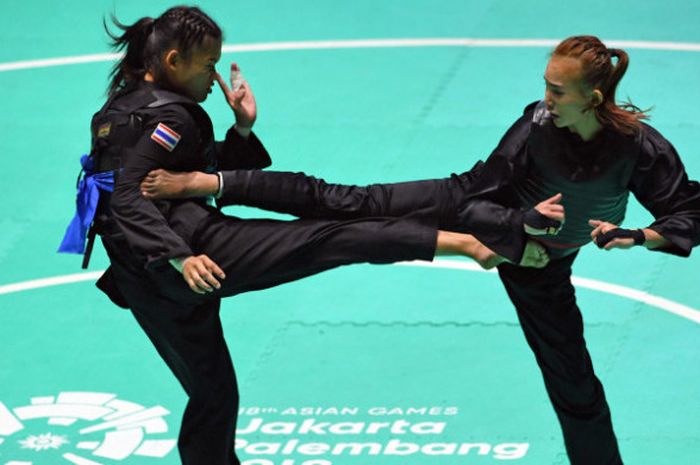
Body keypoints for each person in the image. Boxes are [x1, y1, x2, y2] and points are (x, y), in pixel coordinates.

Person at [141, 36, 700, 465]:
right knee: (347, 202)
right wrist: (519, 225)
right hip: (478, 207)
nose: (545, 99)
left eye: (557, 91)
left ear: (592, 99)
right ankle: (209, 183)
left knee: (574, 381)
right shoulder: (535, 126)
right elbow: (477, 204)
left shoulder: (638, 148)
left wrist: (636, 237)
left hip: (541, 268)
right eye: (545, 86)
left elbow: (688, 211)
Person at [63, 7, 554, 465]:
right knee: (332, 237)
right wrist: (181, 258)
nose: (214, 78)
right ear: (173, 61)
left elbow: (159, 177)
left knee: (214, 394)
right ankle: (466, 243)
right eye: (206, 65)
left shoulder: (121, 108)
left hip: (143, 281)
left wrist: (241, 129)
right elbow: (130, 197)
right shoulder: (169, 116)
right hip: (190, 255)